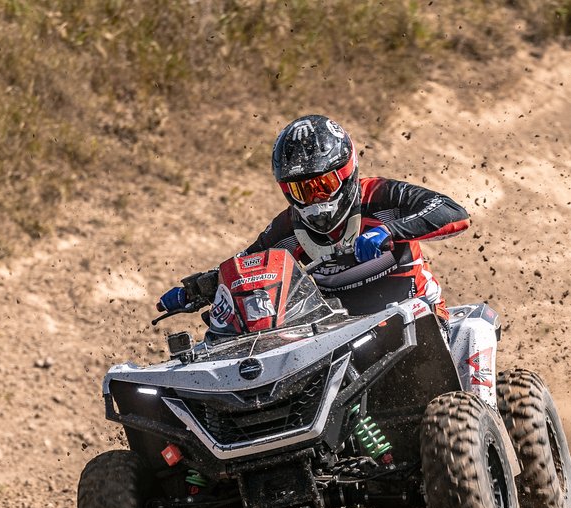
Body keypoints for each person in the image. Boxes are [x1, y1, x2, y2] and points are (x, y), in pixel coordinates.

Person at [157, 114, 499, 407]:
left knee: (475, 331)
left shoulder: (380, 196)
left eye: (322, 185)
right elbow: (247, 266)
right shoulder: (287, 230)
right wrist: (197, 290)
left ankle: (486, 419)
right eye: (302, 191)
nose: (315, 200)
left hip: (417, 321)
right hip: (337, 336)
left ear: (346, 172)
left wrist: (389, 232)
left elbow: (453, 212)